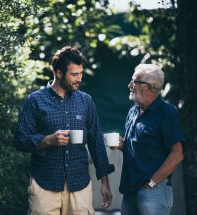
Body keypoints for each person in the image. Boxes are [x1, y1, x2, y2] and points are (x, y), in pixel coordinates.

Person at [14, 46, 115, 215]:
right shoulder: (35, 101)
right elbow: (20, 140)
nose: (79, 79)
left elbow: (96, 141)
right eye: (74, 74)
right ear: (59, 73)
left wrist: (105, 181)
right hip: (45, 183)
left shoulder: (86, 101)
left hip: (79, 184)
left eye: (81, 73)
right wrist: (47, 140)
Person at [114, 64, 185, 215]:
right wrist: (122, 145)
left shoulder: (167, 112)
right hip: (129, 190)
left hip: (153, 191)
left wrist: (152, 183)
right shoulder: (133, 111)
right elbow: (138, 149)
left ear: (149, 87)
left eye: (134, 82)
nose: (130, 85)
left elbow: (177, 154)